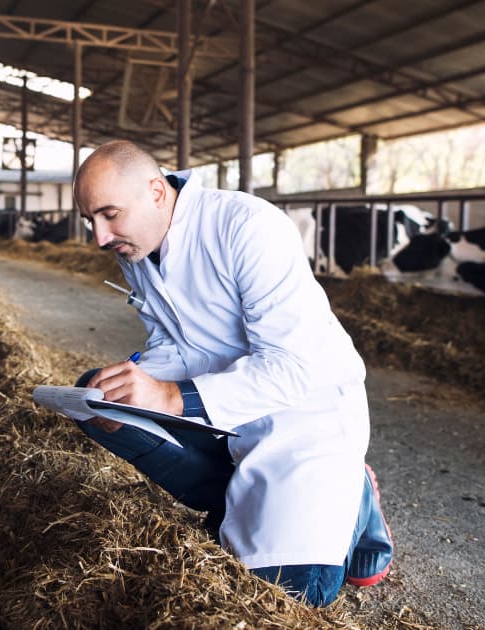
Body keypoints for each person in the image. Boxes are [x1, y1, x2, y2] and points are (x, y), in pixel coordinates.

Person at [70, 140, 393, 607]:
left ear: (157, 192)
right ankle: (231, 501)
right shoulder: (136, 244)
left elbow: (292, 368)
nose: (100, 236)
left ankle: (352, 491)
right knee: (96, 399)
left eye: (109, 214)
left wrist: (167, 398)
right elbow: (170, 340)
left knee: (292, 594)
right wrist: (131, 380)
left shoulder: (248, 227)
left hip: (305, 414)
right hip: (222, 405)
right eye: (90, 220)